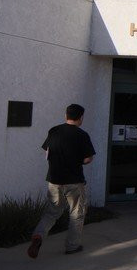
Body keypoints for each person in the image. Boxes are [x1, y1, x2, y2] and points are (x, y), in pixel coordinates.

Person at [27, 104, 95, 258]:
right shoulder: (82, 135)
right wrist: (80, 161)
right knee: (76, 213)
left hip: (54, 180)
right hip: (74, 181)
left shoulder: (54, 131)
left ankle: (38, 235)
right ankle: (72, 246)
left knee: (51, 212)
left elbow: (47, 150)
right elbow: (88, 158)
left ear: (66, 116)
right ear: (81, 118)